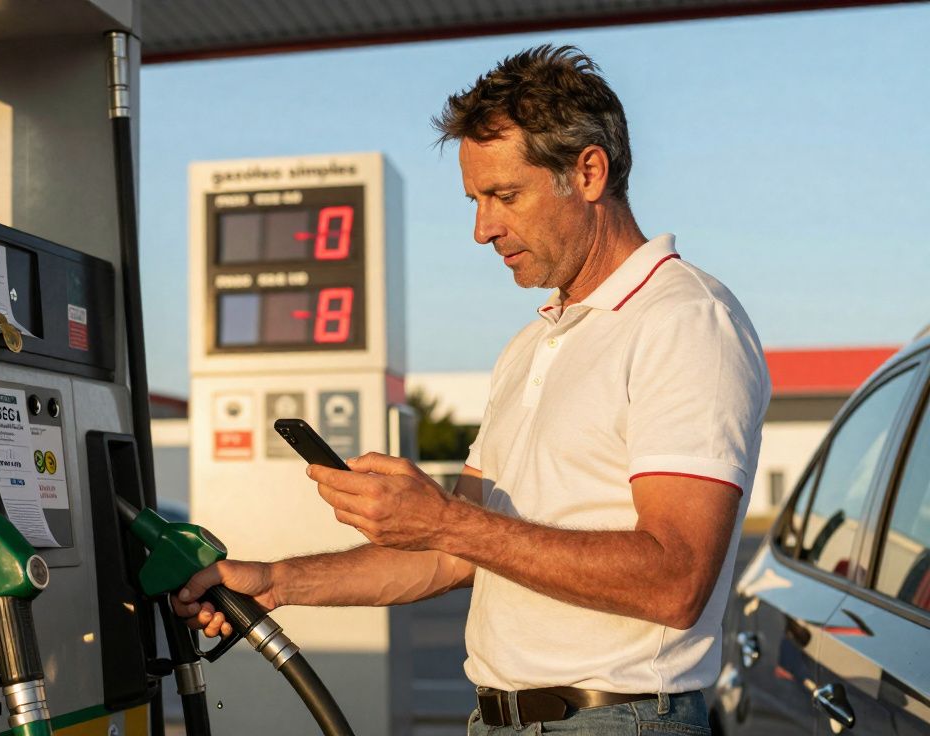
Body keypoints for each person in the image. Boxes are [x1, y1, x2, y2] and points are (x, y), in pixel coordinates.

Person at [173, 44, 770, 735]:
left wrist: (447, 519)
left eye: (504, 196)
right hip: (497, 720)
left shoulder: (684, 322)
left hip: (617, 719)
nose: (482, 228)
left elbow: (677, 580)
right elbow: (454, 553)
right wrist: (275, 580)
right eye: (475, 200)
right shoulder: (533, 345)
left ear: (588, 171)